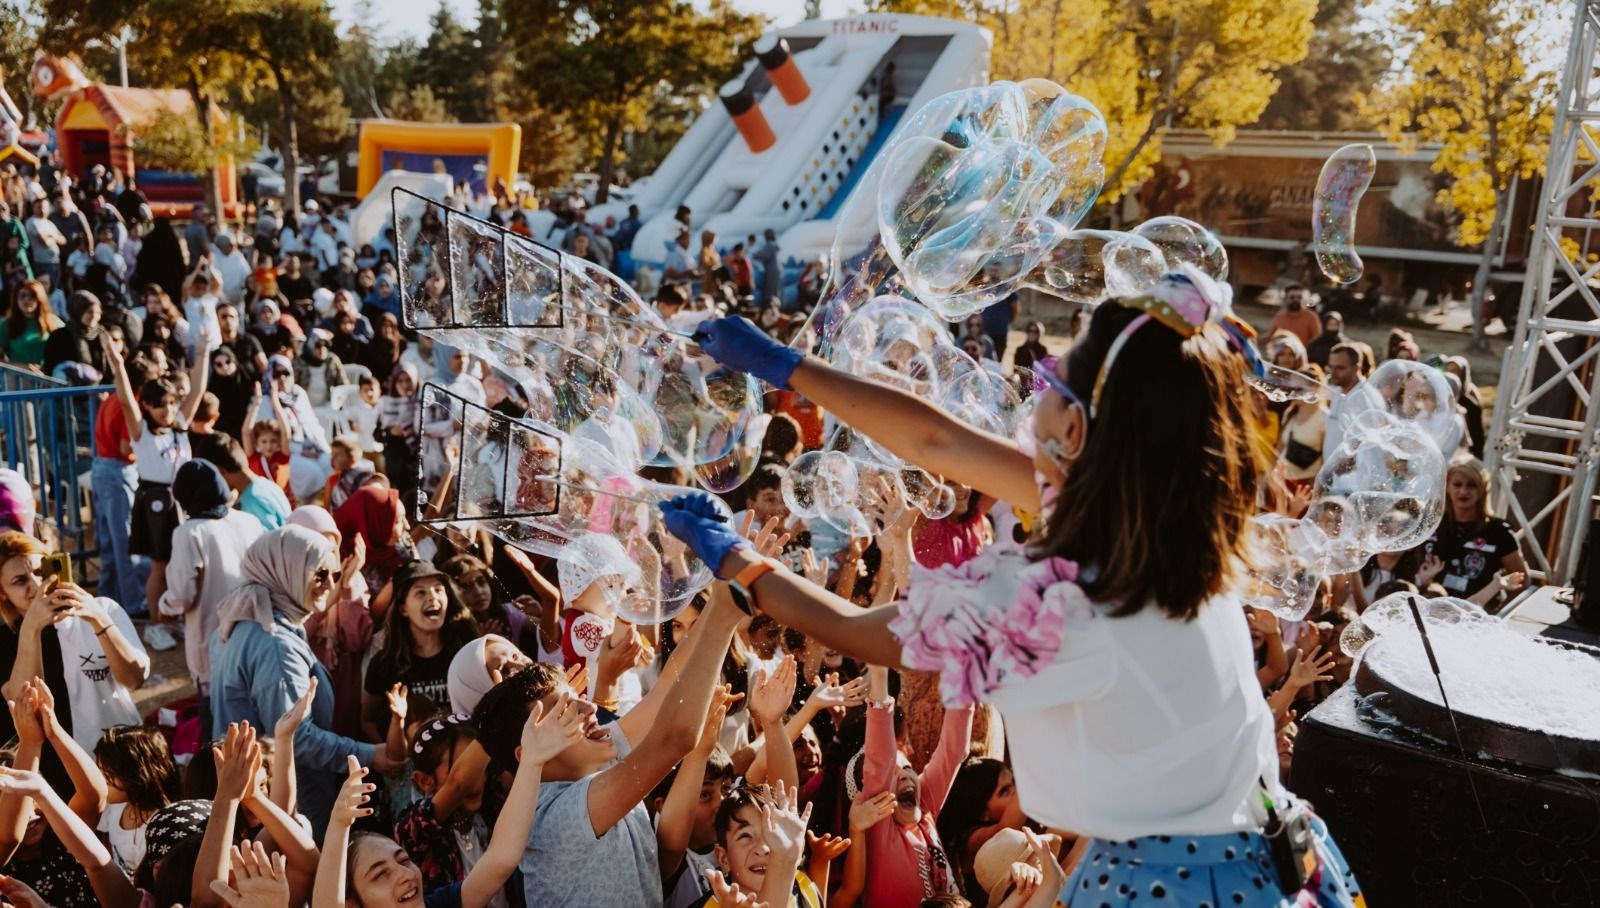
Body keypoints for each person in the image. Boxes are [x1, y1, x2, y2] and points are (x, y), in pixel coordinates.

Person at [682, 269, 1362, 905]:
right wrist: (785, 365)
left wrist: (738, 562)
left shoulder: (1063, 605)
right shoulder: (1162, 513)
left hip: (1172, 886)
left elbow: (860, 632)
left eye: (1048, 385)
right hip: (1274, 853)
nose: (1032, 405)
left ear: (1074, 429)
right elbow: (938, 443)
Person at [208, 526, 405, 835]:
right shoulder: (274, 644)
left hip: (264, 794)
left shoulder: (250, 618)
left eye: (336, 575)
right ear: (285, 570)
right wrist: (370, 755)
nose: (329, 585)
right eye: (318, 574)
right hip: (292, 798)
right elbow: (296, 737)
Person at [313, 700, 586, 908]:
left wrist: (532, 760)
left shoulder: (441, 903)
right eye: (379, 875)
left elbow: (502, 857)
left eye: (404, 860)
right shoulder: (415, 823)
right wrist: (338, 825)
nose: (403, 874)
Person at [0, 532, 149, 756]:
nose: (37, 584)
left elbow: (134, 679)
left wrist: (99, 620)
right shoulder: (6, 638)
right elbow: (22, 704)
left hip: (124, 750)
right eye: (20, 581)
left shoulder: (103, 609)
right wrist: (31, 628)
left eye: (42, 572)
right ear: (3, 593)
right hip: (64, 763)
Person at [105, 326, 210, 644]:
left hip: (183, 499)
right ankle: (156, 621)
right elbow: (125, 401)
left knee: (186, 562)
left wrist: (203, 352)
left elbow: (196, 393)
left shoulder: (179, 427)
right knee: (160, 566)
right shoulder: (142, 433)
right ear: (148, 406)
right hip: (155, 499)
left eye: (170, 403)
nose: (168, 409)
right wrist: (117, 362)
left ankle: (176, 614)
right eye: (160, 404)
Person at [161, 459, 264, 735]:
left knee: (218, 731)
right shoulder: (248, 521)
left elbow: (182, 595)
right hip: (254, 636)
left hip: (212, 643)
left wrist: (164, 605)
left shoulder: (189, 532)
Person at [361, 559, 480, 741]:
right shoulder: (384, 664)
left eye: (439, 589)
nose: (432, 597)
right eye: (420, 592)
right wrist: (396, 760)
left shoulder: (466, 652)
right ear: (403, 609)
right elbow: (366, 720)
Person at [1418, 457, 1526, 603]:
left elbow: (1522, 580)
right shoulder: (1430, 523)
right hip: (1431, 610)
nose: (1463, 491)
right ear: (1447, 488)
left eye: (1471, 485)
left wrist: (1499, 616)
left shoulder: (1499, 532)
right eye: (1457, 484)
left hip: (1476, 615)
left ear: (1482, 489)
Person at [92, 724, 180, 875]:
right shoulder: (115, 806)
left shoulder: (161, 826)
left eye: (109, 776)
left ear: (137, 776)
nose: (101, 781)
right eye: (99, 772)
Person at [1, 279, 63, 367]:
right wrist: (23, 368)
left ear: (40, 298)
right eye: (22, 296)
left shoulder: (54, 322)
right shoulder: (6, 324)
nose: (26, 300)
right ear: (16, 299)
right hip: (18, 378)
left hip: (49, 378)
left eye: (32, 296)